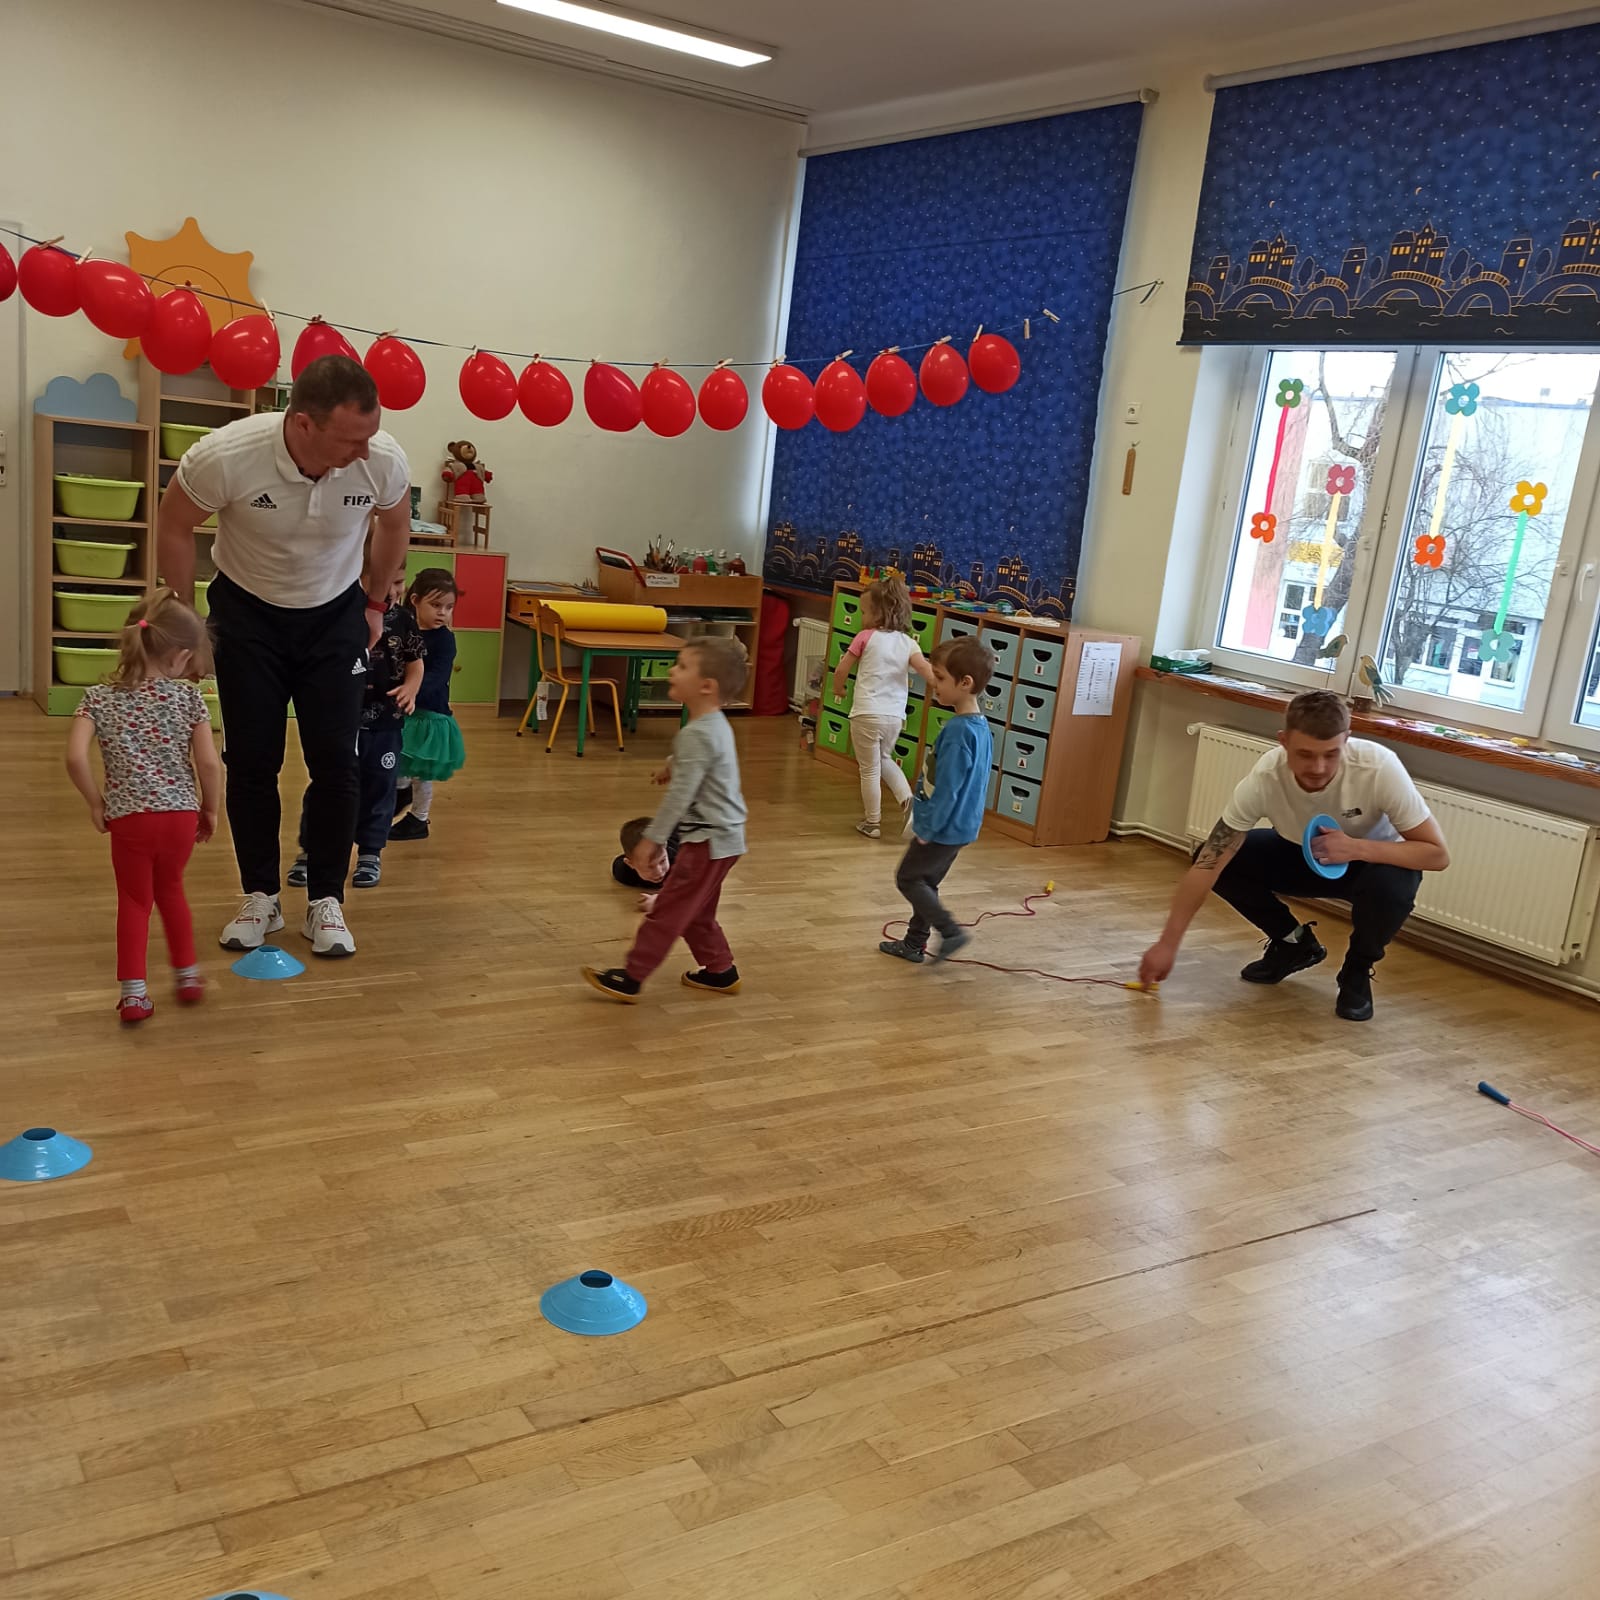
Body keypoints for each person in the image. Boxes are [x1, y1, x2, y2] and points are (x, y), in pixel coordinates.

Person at [157, 354, 412, 959]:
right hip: (248, 616)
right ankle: (261, 896)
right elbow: (173, 524)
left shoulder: (381, 458)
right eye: (350, 439)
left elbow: (394, 525)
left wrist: (376, 603)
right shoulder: (226, 455)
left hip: (334, 615)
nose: (365, 450)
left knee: (337, 762)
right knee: (252, 761)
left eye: (371, 435)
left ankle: (326, 899)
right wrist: (187, 621)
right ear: (303, 424)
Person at [1138, 690, 1450, 1021]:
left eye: (1331, 754)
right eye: (1305, 754)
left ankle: (1357, 970)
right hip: (1300, 853)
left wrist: (1357, 847)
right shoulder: (1266, 776)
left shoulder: (1378, 766)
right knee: (1217, 857)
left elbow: (1436, 854)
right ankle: (1293, 944)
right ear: (1284, 741)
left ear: (1346, 739)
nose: (1318, 768)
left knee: (1395, 883)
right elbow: (1208, 864)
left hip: (1370, 865)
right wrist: (1167, 944)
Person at [63, 592, 222, 1023]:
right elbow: (209, 764)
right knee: (172, 890)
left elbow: (75, 757)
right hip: (179, 818)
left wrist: (96, 803)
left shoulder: (97, 698)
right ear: (181, 655)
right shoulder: (189, 699)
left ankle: (134, 996)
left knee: (134, 901)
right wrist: (210, 809)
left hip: (129, 820)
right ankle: (187, 977)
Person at [582, 637, 749, 1002]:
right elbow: (704, 762)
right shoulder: (714, 725)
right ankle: (720, 971)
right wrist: (673, 766)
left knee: (668, 911)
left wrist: (652, 839)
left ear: (707, 686)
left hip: (706, 841)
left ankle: (631, 977)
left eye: (683, 666)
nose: (672, 671)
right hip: (727, 838)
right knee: (697, 912)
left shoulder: (695, 734)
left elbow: (680, 797)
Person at [287, 560, 423, 890]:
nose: (393, 590)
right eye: (384, 581)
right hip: (340, 721)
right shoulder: (341, 613)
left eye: (399, 582)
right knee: (327, 784)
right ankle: (312, 852)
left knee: (380, 787)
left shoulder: (404, 620)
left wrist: (410, 687)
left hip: (386, 723)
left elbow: (415, 663)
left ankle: (370, 853)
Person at [879, 635, 995, 965]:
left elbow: (948, 790)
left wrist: (929, 828)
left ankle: (950, 930)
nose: (933, 683)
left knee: (908, 878)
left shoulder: (959, 732)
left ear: (965, 683)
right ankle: (914, 944)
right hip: (961, 826)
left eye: (940, 678)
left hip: (942, 827)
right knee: (926, 882)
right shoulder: (979, 727)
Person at [830, 575, 934, 838]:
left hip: (866, 713)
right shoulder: (909, 643)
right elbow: (926, 671)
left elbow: (841, 669)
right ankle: (908, 801)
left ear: (879, 614)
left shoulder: (865, 637)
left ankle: (872, 822)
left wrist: (838, 689)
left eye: (865, 612)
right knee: (883, 759)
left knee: (869, 769)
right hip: (894, 717)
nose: (862, 617)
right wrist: (943, 687)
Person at [389, 568, 465, 842]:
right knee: (400, 763)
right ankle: (399, 795)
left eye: (449, 607)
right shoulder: (405, 628)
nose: (443, 613)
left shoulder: (445, 639)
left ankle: (419, 819)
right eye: (436, 605)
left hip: (429, 717)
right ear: (415, 600)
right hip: (406, 713)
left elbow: (436, 677)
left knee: (422, 774)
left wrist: (410, 691)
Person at [613, 816, 681, 908]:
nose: (659, 872)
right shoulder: (624, 872)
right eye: (650, 867)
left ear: (665, 847)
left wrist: (660, 901)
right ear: (630, 864)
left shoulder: (678, 865)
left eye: (662, 861)